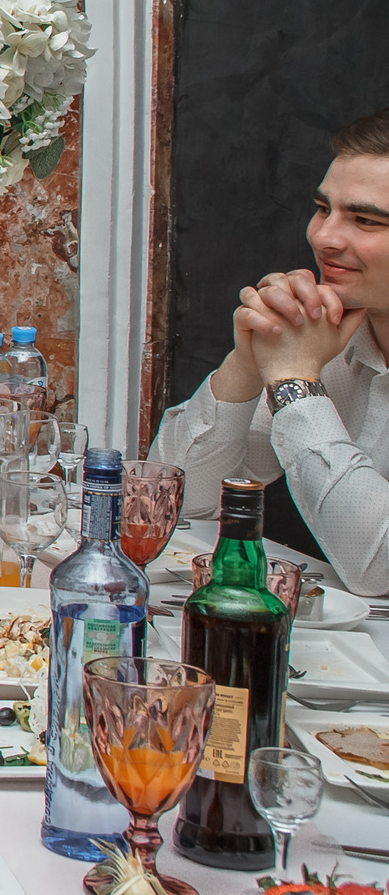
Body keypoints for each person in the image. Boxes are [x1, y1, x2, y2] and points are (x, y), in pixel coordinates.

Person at [154, 109, 389, 587]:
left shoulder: (309, 356)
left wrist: (295, 384)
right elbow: (175, 502)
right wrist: (248, 362)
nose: (322, 237)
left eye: (365, 220)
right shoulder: (328, 338)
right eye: (323, 209)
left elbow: (376, 568)